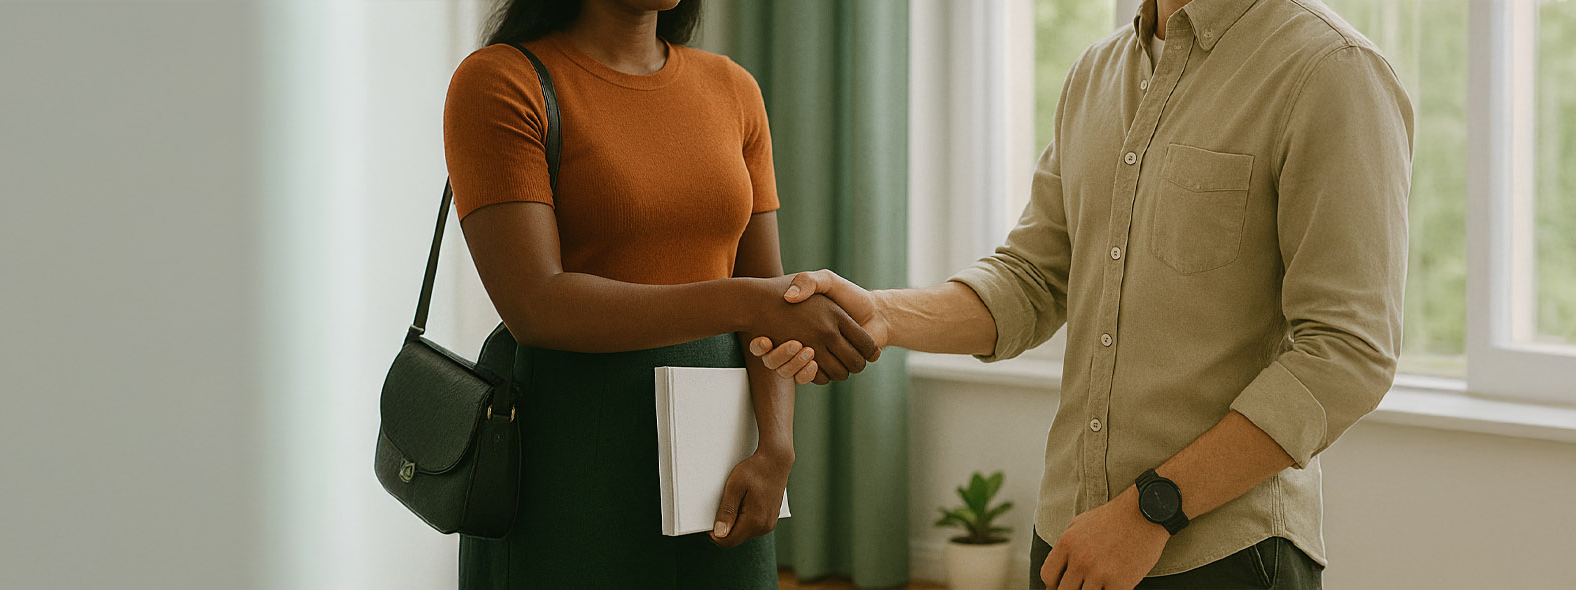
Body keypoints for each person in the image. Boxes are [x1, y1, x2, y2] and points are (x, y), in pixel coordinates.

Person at [751, 0, 1413, 588]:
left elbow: (1347, 353)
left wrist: (1150, 511)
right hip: (1070, 541)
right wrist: (886, 315)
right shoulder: (1096, 74)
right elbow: (1033, 280)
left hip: (1223, 555)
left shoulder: (1331, 70)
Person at [442, 0, 880, 587]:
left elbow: (773, 303)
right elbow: (536, 307)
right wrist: (748, 300)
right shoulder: (501, 81)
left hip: (720, 453)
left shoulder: (733, 89)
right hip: (568, 453)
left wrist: (776, 447)